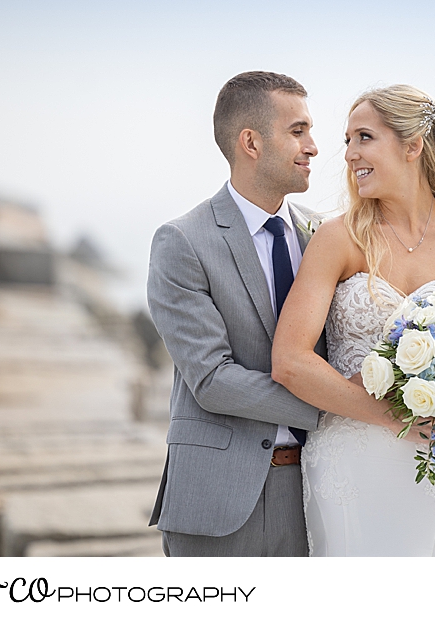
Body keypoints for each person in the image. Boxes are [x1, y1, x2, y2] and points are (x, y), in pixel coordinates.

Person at [272, 84, 435, 556]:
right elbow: (290, 361)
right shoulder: (338, 238)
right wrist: (389, 413)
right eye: (348, 140)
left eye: (364, 138)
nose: (349, 154)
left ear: (412, 146)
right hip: (350, 466)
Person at [146, 71, 331, 557]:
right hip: (218, 501)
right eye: (298, 131)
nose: (313, 146)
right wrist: (340, 407)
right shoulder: (182, 242)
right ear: (250, 142)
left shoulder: (325, 236)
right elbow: (212, 379)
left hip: (318, 494)